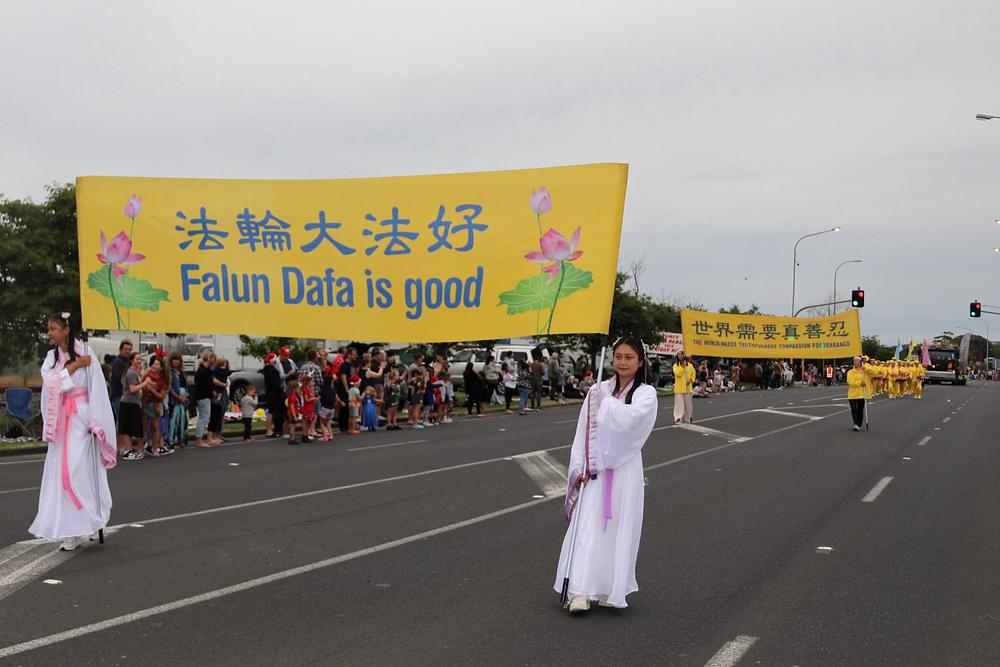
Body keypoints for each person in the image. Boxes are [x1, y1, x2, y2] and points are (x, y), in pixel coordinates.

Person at [554, 335, 657, 613]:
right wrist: (582, 466)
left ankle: (612, 587)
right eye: (619, 356)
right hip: (596, 468)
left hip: (625, 470)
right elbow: (583, 432)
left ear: (640, 361)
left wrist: (605, 403)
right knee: (588, 524)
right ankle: (580, 591)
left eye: (629, 357)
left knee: (619, 528)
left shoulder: (646, 394)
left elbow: (634, 425)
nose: (623, 362)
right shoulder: (598, 390)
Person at [31, 314, 117, 550]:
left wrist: (95, 420)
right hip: (63, 421)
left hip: (82, 418)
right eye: (48, 329)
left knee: (84, 472)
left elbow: (97, 388)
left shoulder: (85, 350)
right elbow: (50, 382)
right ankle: (73, 528)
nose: (50, 333)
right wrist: (73, 367)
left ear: (66, 329)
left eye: (54, 328)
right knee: (65, 474)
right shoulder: (52, 357)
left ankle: (91, 521)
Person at [141, 355, 171, 457]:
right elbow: (143, 388)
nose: (154, 365)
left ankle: (154, 448)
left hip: (156, 404)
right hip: (146, 403)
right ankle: (141, 448)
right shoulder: (147, 375)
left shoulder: (163, 380)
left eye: (157, 364)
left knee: (155, 427)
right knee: (143, 427)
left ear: (161, 368)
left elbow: (161, 396)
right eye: (154, 363)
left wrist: (152, 389)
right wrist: (147, 389)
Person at [166, 352, 189, 448]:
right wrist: (177, 396)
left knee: (184, 420)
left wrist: (186, 395)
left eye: (178, 359)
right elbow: (169, 387)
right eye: (174, 359)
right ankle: (172, 441)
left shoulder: (183, 373)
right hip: (174, 399)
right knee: (173, 420)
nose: (176, 361)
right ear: (171, 361)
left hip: (183, 399)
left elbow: (185, 386)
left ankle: (181, 440)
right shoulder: (169, 372)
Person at [261, 353, 285, 438]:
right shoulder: (271, 370)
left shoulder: (267, 369)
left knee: (270, 411)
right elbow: (275, 383)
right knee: (271, 412)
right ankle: (269, 430)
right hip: (273, 393)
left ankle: (270, 429)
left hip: (270, 393)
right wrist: (280, 388)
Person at [846, 356, 872, 431]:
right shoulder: (850, 372)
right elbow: (850, 382)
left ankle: (858, 424)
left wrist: (865, 364)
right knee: (853, 409)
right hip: (852, 394)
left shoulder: (864, 371)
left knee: (860, 409)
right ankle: (855, 423)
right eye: (854, 361)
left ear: (861, 362)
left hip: (861, 393)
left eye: (857, 361)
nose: (855, 363)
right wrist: (860, 383)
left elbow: (873, 372)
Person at [672, 350, 696, 424]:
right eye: (678, 355)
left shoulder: (690, 365)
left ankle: (688, 418)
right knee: (679, 405)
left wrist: (691, 380)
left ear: (684, 355)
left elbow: (693, 374)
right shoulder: (675, 365)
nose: (680, 356)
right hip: (679, 388)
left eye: (681, 354)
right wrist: (682, 367)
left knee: (688, 405)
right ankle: (678, 418)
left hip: (688, 388)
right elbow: (677, 373)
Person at [285, 379, 303, 444]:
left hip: (292, 412)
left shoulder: (292, 395)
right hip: (293, 413)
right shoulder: (292, 396)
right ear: (294, 388)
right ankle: (292, 438)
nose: (298, 389)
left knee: (292, 425)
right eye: (298, 387)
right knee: (293, 426)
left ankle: (292, 438)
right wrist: (295, 416)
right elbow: (292, 406)